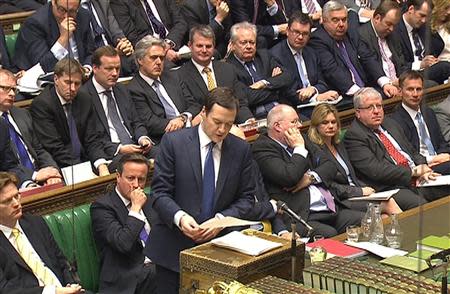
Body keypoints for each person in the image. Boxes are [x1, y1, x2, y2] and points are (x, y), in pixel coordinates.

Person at [145, 87, 255, 294]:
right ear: (203, 113)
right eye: (217, 122)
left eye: (229, 124)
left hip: (219, 249)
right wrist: (180, 217)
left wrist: (221, 220)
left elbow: (247, 198)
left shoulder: (240, 149)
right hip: (173, 251)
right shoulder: (174, 143)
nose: (222, 130)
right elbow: (159, 193)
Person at [252, 104, 364, 238]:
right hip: (301, 215)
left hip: (329, 207)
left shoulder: (302, 138)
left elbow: (330, 165)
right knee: (330, 234)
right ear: (277, 126)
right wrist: (299, 148)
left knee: (365, 219)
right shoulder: (262, 148)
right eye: (294, 122)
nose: (299, 125)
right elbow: (290, 177)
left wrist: (310, 177)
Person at [308, 103, 418, 213]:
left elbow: (354, 176)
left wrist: (368, 189)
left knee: (385, 215)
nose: (331, 126)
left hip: (358, 193)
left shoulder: (339, 145)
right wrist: (360, 191)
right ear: (316, 126)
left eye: (333, 122)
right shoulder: (316, 152)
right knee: (389, 205)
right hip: (341, 200)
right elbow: (330, 186)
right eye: (325, 123)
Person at [343, 87, 446, 202]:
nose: (376, 111)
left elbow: (412, 152)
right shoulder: (354, 136)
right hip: (392, 186)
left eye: (379, 106)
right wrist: (413, 172)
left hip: (416, 175)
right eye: (370, 107)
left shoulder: (389, 123)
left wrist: (424, 169)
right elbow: (377, 171)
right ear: (358, 112)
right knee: (421, 204)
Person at [0, 172, 85, 294]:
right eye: (7, 201)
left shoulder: (34, 222)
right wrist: (53, 292)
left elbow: (61, 261)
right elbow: (5, 290)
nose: (16, 203)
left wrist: (70, 285)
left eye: (17, 196)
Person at [30, 58, 110, 175]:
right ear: (56, 79)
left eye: (77, 83)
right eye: (68, 82)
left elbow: (92, 139)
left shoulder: (84, 99)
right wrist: (84, 172)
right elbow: (54, 148)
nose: (72, 89)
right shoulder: (43, 104)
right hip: (62, 166)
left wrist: (101, 165)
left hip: (88, 160)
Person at [90, 154, 155, 294]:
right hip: (125, 279)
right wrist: (135, 208)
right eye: (130, 178)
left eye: (141, 179)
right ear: (118, 177)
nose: (136, 185)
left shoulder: (150, 201)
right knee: (158, 272)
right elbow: (123, 243)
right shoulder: (102, 207)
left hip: (153, 271)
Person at [309, 0, 398, 102]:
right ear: (324, 21)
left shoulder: (351, 32)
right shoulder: (318, 39)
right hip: (343, 94)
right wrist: (360, 93)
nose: (341, 24)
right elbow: (332, 70)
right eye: (335, 20)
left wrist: (385, 83)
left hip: (365, 88)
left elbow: (367, 57)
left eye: (344, 19)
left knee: (392, 94)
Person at [80, 46, 155, 159]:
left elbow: (136, 122)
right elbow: (90, 139)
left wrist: (142, 138)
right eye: (109, 69)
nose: (115, 73)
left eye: (117, 68)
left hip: (135, 146)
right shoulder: (83, 96)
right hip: (110, 154)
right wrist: (119, 149)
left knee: (165, 153)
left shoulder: (122, 89)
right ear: (95, 68)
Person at [127, 36, 200, 144]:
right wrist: (183, 124)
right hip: (165, 139)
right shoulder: (134, 88)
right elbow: (150, 123)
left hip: (191, 129)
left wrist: (183, 118)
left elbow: (194, 105)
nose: (159, 62)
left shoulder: (173, 76)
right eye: (153, 57)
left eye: (161, 58)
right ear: (140, 60)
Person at [177, 25, 253, 123]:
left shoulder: (227, 69)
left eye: (208, 46)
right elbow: (191, 108)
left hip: (232, 125)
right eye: (199, 46)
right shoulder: (180, 75)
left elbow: (240, 103)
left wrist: (248, 121)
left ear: (214, 46)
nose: (204, 50)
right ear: (190, 46)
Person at [0, 69, 62, 186]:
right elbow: (5, 166)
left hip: (40, 176)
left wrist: (52, 171)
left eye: (14, 89)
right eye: (6, 88)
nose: (12, 94)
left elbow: (38, 149)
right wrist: (33, 176)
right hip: (12, 183)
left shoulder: (22, 114)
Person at [270, 11, 339, 108]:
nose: (300, 37)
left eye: (305, 33)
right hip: (294, 108)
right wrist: (316, 98)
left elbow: (323, 82)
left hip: (317, 103)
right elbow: (287, 94)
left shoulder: (311, 52)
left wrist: (313, 89)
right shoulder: (276, 55)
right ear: (287, 31)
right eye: (296, 32)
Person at [226, 22, 294, 118]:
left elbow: (287, 77)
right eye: (243, 43)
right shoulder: (228, 67)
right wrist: (276, 89)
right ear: (232, 45)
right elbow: (247, 97)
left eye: (252, 42)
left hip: (280, 109)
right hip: (255, 115)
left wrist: (264, 83)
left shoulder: (264, 56)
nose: (249, 46)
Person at [391, 70, 450, 175]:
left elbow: (441, 142)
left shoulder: (429, 112)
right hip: (421, 168)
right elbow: (407, 154)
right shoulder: (395, 121)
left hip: (442, 162)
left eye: (419, 89)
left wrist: (444, 156)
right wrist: (433, 159)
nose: (415, 94)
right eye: (410, 89)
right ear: (400, 91)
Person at [14, 0, 95, 73]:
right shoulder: (35, 24)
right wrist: (63, 38)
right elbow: (43, 67)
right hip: (48, 81)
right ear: (53, 2)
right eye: (62, 9)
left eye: (72, 11)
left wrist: (86, 69)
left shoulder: (83, 15)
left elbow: (91, 52)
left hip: (81, 79)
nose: (66, 16)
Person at [109, 0, 187, 67]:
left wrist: (168, 44)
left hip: (176, 44)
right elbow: (133, 37)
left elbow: (180, 22)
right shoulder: (119, 3)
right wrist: (160, 50)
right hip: (150, 53)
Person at [391, 0, 450, 84]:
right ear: (411, 9)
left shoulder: (422, 26)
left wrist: (431, 59)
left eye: (427, 17)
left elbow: (439, 44)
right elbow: (399, 65)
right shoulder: (395, 29)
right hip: (409, 73)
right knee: (445, 67)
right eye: (421, 15)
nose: (423, 20)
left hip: (427, 69)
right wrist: (420, 64)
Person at [358, 0, 409, 85]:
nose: (391, 29)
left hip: (398, 82)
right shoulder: (362, 35)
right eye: (388, 24)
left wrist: (403, 81)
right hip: (380, 86)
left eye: (394, 25)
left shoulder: (393, 34)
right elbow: (371, 67)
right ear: (377, 18)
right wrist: (389, 83)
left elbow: (401, 63)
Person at [81, 0, 136, 75]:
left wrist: (124, 44)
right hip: (93, 61)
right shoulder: (72, 9)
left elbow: (116, 32)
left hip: (116, 53)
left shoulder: (102, 3)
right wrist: (110, 53)